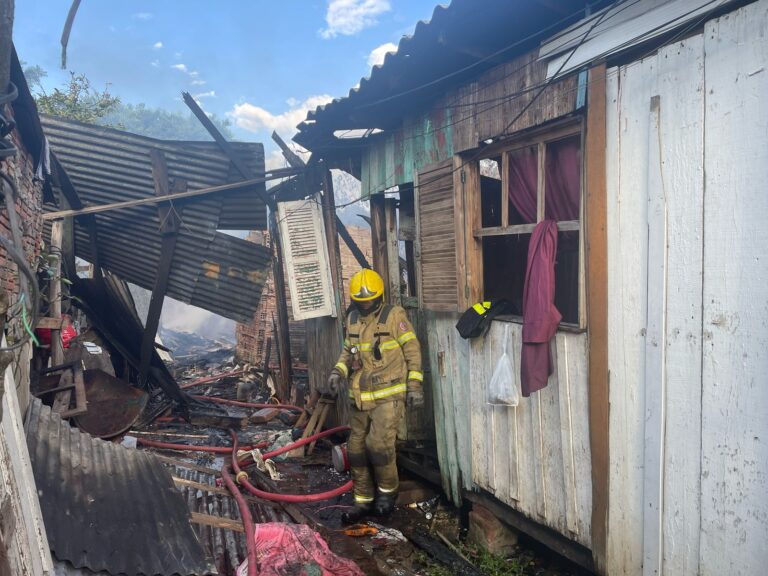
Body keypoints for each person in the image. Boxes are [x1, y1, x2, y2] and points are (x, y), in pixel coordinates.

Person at [318, 268, 423, 524]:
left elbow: (412, 350)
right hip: (360, 396)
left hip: (389, 394)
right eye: (361, 302)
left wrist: (415, 385)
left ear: (379, 297)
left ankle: (387, 494)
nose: (365, 306)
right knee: (355, 449)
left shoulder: (393, 316)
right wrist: (336, 373)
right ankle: (362, 500)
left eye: (369, 301)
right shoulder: (352, 319)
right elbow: (347, 352)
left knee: (378, 446)